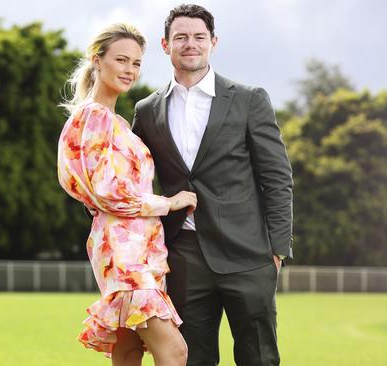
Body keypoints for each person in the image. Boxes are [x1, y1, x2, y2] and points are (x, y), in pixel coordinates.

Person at [132, 4, 294, 366]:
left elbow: (277, 177)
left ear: (213, 42)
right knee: (191, 359)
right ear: (165, 44)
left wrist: (277, 250)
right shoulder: (147, 110)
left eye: (198, 37)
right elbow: (132, 175)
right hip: (184, 255)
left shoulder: (250, 99)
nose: (190, 44)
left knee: (259, 358)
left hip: (249, 254)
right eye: (181, 37)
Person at [57, 23, 196, 365]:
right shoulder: (95, 116)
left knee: (129, 351)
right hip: (122, 250)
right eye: (121, 60)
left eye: (136, 63)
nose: (130, 70)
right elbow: (108, 192)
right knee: (175, 351)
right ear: (97, 61)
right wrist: (170, 202)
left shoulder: (118, 123)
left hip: (142, 247)